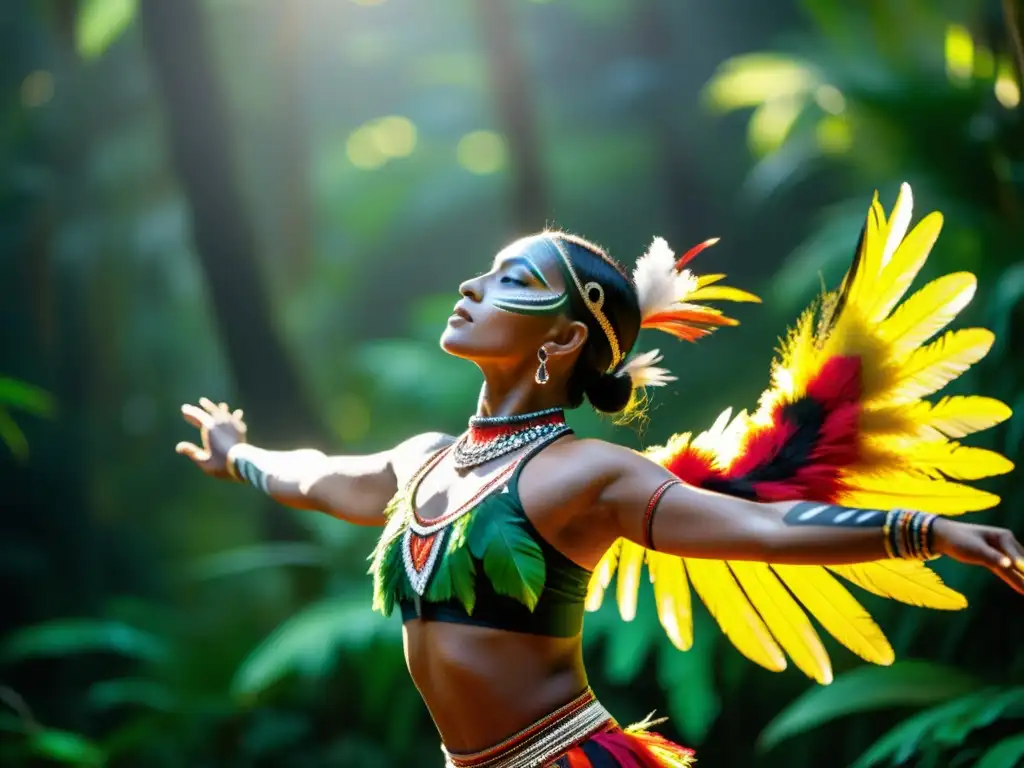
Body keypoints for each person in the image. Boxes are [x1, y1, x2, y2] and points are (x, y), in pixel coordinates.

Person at [176, 185, 1023, 768]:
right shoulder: (424, 459)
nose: (474, 285)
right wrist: (240, 456)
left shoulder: (587, 476)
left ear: (566, 338)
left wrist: (927, 530)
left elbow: (767, 527)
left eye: (514, 280)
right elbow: (323, 477)